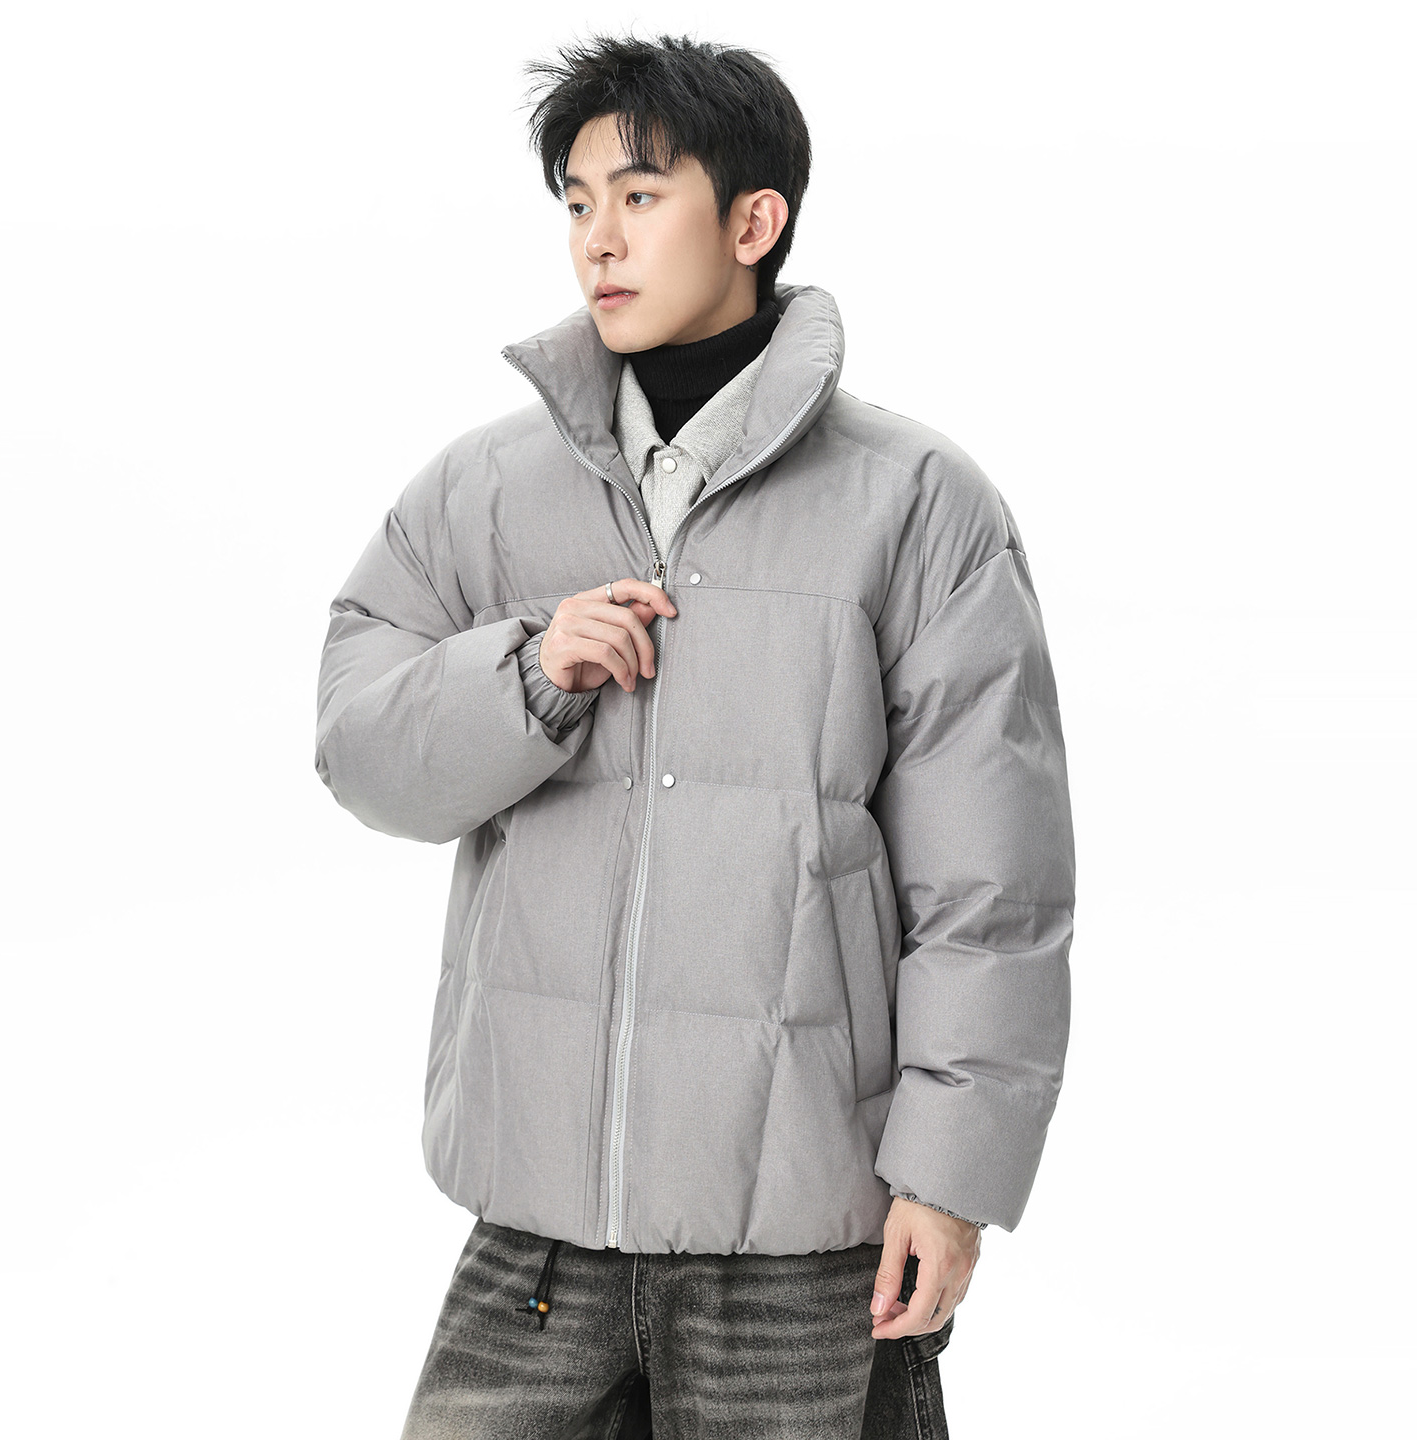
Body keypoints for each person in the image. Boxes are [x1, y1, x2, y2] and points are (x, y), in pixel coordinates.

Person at [314, 30, 1075, 1440]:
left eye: (640, 195)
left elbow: (993, 887)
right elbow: (360, 746)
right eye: (577, 202)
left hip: (803, 1252)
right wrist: (527, 672)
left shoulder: (918, 503)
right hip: (538, 1241)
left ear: (753, 221)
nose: (597, 239)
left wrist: (952, 1177)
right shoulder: (484, 489)